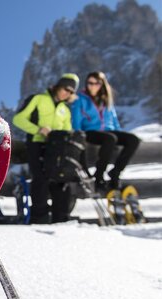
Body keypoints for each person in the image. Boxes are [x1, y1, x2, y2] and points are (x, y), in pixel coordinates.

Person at [12, 73, 79, 224]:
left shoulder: (65, 110)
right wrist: (38, 129)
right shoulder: (38, 99)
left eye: (70, 91)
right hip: (36, 143)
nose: (66, 93)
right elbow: (18, 119)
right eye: (65, 88)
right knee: (40, 179)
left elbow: (67, 132)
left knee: (60, 180)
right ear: (58, 86)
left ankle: (60, 219)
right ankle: (39, 218)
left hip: (57, 149)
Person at [70, 71, 140, 192]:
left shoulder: (106, 99)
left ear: (102, 84)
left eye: (96, 83)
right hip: (90, 132)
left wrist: (119, 134)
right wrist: (78, 134)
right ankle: (99, 176)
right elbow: (76, 120)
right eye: (90, 83)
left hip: (109, 131)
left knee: (133, 139)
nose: (92, 86)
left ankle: (115, 172)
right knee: (110, 139)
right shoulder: (80, 99)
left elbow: (113, 119)